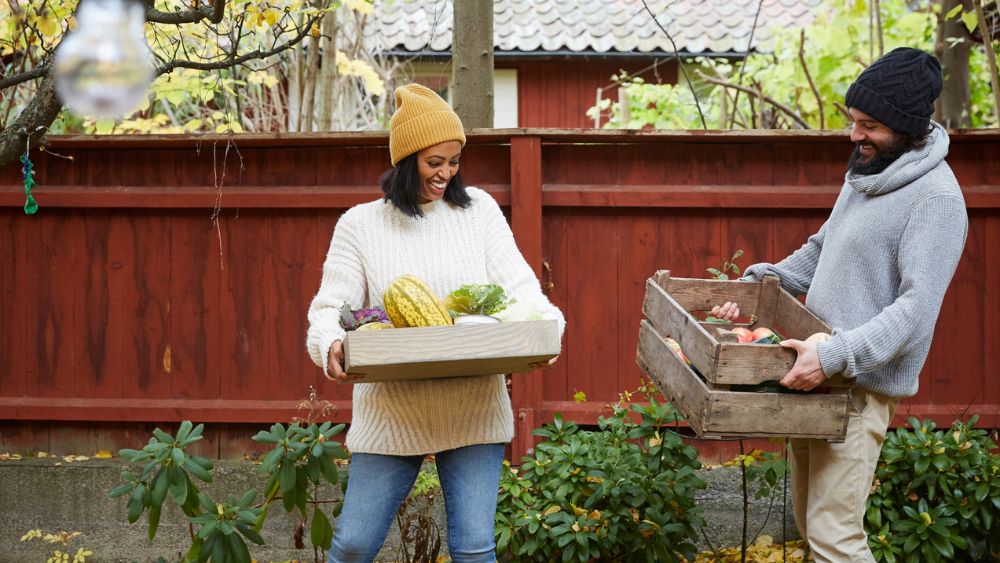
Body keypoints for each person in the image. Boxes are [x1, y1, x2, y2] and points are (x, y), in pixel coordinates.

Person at [711, 47, 968, 562]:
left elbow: (916, 311)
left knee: (835, 538)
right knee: (812, 526)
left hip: (856, 387)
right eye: (853, 121)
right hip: (815, 376)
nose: (855, 136)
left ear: (907, 126)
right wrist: (766, 279)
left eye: (868, 125)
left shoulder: (936, 201)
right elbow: (822, 249)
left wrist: (834, 355)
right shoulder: (867, 176)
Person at [306, 83, 565, 563]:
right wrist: (329, 344)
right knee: (354, 544)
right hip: (391, 411)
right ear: (406, 161)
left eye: (454, 160)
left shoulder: (480, 212)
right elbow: (328, 308)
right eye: (434, 163)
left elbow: (522, 289)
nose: (446, 173)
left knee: (473, 549)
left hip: (473, 406)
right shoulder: (360, 225)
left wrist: (546, 328)